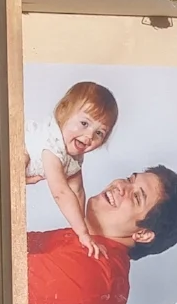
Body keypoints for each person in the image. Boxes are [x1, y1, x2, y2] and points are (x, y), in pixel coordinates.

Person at [28, 166, 177, 304]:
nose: (120, 186)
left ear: (142, 234)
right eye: (130, 179)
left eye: (136, 197)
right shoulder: (88, 242)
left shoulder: (91, 270)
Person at [25, 81, 119, 259]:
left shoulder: (75, 156)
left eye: (99, 133)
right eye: (84, 123)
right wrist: (82, 233)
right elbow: (61, 192)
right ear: (63, 111)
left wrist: (82, 227)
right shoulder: (52, 145)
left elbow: (77, 190)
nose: (89, 135)